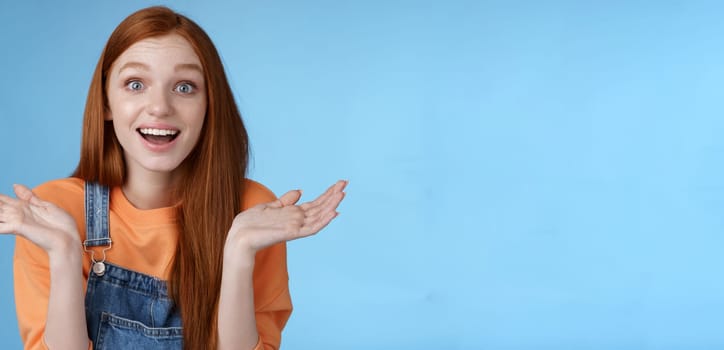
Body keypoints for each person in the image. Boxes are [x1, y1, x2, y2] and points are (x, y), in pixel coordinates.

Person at [0, 6, 346, 350]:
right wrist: (63, 252)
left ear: (209, 105)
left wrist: (239, 250)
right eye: (135, 84)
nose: (160, 107)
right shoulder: (55, 212)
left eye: (184, 87)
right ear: (106, 102)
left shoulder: (252, 212)